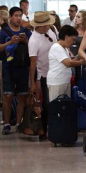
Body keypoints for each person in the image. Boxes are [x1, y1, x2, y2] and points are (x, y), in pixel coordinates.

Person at [0, 7, 32, 135]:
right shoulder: (3, 33)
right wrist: (9, 43)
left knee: (22, 96)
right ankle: (7, 123)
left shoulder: (26, 32)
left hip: (23, 67)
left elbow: (34, 49)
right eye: (16, 15)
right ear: (10, 17)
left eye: (20, 15)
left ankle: (18, 123)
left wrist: (26, 41)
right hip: (8, 67)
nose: (18, 18)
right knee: (7, 95)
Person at [28, 11, 58, 139]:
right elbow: (33, 64)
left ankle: (54, 127)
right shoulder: (33, 41)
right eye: (45, 25)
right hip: (44, 74)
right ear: (38, 27)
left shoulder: (51, 31)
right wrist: (33, 83)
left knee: (53, 101)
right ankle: (43, 130)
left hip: (55, 71)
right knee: (45, 103)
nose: (48, 26)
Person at [47, 25, 86, 101]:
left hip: (64, 81)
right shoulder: (57, 47)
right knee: (57, 107)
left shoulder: (64, 48)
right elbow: (68, 63)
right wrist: (81, 62)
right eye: (73, 39)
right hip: (57, 82)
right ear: (66, 37)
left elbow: (70, 61)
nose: (73, 42)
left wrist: (78, 57)